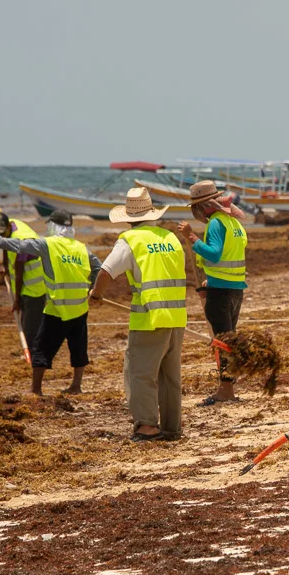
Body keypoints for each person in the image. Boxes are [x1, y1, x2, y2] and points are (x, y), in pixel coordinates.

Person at [89, 187, 187, 442]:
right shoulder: (170, 237)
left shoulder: (131, 239)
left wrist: (96, 295)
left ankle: (147, 427)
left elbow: (105, 272)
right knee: (169, 376)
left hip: (148, 318)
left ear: (129, 217)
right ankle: (171, 427)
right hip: (176, 317)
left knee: (140, 373)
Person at [0, 209, 101, 395]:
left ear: (52, 226)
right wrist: (94, 289)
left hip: (57, 309)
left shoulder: (47, 245)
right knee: (78, 348)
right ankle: (76, 386)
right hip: (80, 308)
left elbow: (17, 245)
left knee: (41, 348)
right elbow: (98, 267)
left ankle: (36, 389)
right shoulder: (81, 248)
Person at [176, 180, 248, 406]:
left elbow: (215, 254)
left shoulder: (216, 223)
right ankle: (227, 387)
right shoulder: (233, 222)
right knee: (228, 339)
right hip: (235, 289)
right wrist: (212, 278)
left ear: (202, 207)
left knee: (222, 342)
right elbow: (229, 256)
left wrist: (192, 237)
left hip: (222, 293)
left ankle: (226, 391)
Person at [0, 211, 46, 350]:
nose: (1, 237)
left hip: (35, 287)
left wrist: (17, 300)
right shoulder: (10, 225)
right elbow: (5, 243)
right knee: (28, 323)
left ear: (8, 226)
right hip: (25, 285)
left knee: (30, 328)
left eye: (2, 233)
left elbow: (19, 274)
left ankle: (34, 357)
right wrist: (5, 264)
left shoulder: (22, 242)